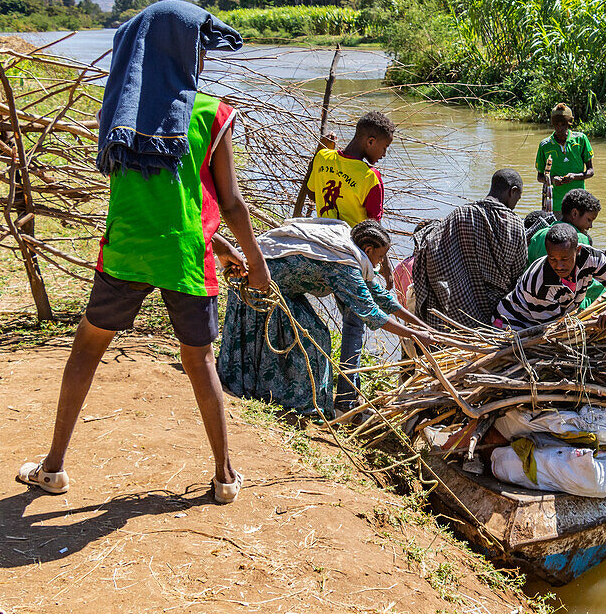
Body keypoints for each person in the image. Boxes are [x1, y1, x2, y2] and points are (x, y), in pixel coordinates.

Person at [17, 1, 268, 504]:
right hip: (183, 256)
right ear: (182, 53)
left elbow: (157, 200)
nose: (202, 58)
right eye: (198, 49)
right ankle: (224, 476)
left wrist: (217, 241)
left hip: (128, 252)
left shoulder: (119, 113)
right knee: (200, 362)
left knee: (87, 348)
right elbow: (231, 202)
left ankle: (53, 468)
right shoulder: (210, 114)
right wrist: (256, 264)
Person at [217, 219, 433, 421]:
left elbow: (382, 297)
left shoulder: (348, 250)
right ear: (368, 250)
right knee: (314, 337)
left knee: (315, 332)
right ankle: (296, 401)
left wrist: (420, 324)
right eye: (380, 256)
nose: (380, 262)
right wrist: (415, 335)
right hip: (257, 280)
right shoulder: (345, 264)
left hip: (284, 287)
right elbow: (371, 313)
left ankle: (296, 397)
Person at [301, 111, 395, 409]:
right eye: (383, 147)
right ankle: (346, 399)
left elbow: (311, 191)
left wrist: (321, 150)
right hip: (349, 259)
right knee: (354, 326)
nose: (383, 154)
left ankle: (312, 382)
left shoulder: (323, 158)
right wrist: (386, 270)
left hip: (318, 248)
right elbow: (374, 233)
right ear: (370, 141)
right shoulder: (370, 178)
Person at [412, 170, 528, 331]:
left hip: (458, 309)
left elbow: (431, 249)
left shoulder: (459, 215)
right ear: (512, 191)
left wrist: (452, 287)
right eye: (518, 197)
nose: (516, 203)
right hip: (497, 312)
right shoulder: (515, 224)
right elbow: (518, 273)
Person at [494, 223, 606, 331]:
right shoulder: (540, 284)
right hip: (514, 324)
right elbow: (552, 331)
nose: (559, 266)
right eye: (552, 258)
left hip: (553, 319)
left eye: (565, 259)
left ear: (577, 251)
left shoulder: (592, 258)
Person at [535, 103, 594, 218]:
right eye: (556, 125)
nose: (560, 128)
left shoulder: (581, 140)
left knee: (580, 234)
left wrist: (574, 177)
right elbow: (540, 177)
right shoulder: (545, 145)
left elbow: (591, 171)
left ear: (569, 123)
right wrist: (552, 180)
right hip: (556, 204)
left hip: (579, 201)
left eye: (563, 124)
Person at [525, 188, 600, 263]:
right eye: (589, 220)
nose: (590, 226)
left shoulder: (538, 235)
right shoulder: (581, 239)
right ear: (575, 213)